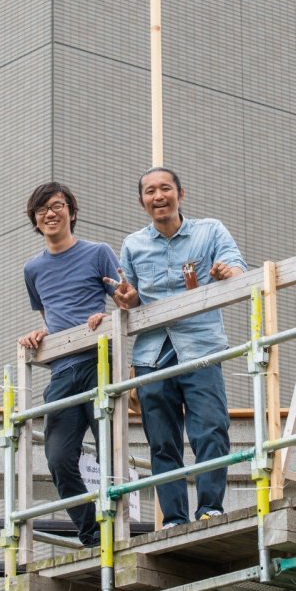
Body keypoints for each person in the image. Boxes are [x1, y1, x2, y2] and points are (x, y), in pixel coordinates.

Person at [110, 168, 247, 527]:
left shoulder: (210, 231)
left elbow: (238, 270)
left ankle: (210, 508)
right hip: (151, 357)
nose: (158, 196)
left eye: (165, 189)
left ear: (180, 194)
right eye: (150, 191)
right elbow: (131, 298)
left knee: (211, 430)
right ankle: (173, 518)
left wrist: (224, 275)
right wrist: (127, 299)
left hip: (201, 348)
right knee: (162, 441)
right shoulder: (133, 244)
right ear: (142, 201)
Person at [19, 182, 120, 548]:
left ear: (71, 212)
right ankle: (92, 533)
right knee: (59, 457)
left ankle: (117, 526)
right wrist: (39, 335)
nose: (50, 213)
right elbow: (52, 315)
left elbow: (126, 299)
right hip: (62, 371)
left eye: (57, 206)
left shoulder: (98, 253)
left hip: (98, 363)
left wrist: (103, 316)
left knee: (112, 449)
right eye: (42, 209)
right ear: (35, 219)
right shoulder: (32, 269)